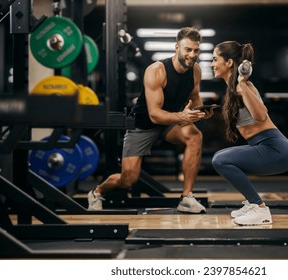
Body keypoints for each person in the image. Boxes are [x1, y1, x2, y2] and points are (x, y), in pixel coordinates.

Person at [88, 27, 214, 213]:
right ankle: (97, 192)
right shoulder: (156, 70)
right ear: (177, 47)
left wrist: (201, 111)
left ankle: (186, 198)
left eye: (196, 50)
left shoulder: (195, 70)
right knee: (128, 179)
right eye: (188, 49)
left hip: (169, 122)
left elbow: (194, 97)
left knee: (195, 136)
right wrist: (182, 116)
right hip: (143, 125)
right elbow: (154, 114)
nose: (192, 54)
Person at [211, 41, 288, 225]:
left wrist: (241, 84)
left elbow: (262, 115)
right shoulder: (234, 88)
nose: (212, 64)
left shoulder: (243, 86)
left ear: (229, 62)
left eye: (215, 59)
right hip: (264, 147)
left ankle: (260, 208)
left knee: (220, 160)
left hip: (275, 149)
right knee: (219, 157)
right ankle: (252, 203)